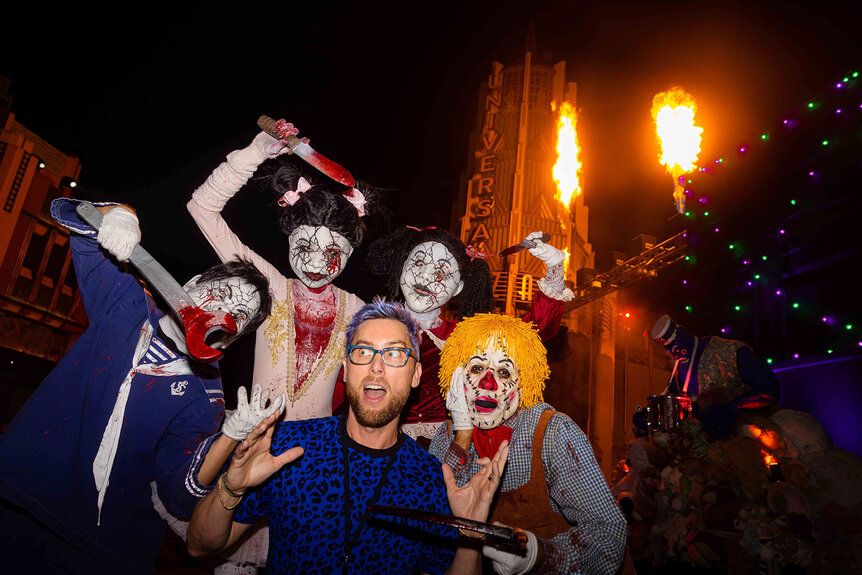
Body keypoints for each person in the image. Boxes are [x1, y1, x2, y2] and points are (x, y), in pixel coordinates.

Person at [0, 199, 279, 575]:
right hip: (16, 500)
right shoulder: (127, 305)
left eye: (240, 316)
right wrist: (120, 215)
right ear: (192, 284)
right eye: (223, 294)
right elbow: (70, 219)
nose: (226, 313)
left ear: (235, 337)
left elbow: (178, 497)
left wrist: (227, 438)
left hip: (104, 553)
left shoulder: (207, 398)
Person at [187, 298, 510, 574]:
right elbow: (200, 546)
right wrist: (231, 486)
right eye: (363, 352)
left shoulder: (429, 478)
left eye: (395, 354)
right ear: (346, 368)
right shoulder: (287, 447)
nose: (376, 368)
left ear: (415, 375)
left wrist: (470, 534)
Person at [188, 123, 380, 422]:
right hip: (255, 439)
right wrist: (256, 151)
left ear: (350, 253)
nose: (316, 265)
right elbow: (202, 207)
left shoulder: (359, 311)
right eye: (304, 247)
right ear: (288, 240)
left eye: (332, 253)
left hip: (319, 453)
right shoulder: (271, 286)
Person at [429, 313, 628, 575]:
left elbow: (609, 532)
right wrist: (462, 435)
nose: (488, 384)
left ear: (526, 382)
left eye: (503, 371)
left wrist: (537, 555)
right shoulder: (446, 435)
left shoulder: (554, 432)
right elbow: (430, 525)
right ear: (456, 375)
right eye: (477, 368)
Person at [352, 227, 571, 446]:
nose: (426, 276)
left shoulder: (464, 336)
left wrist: (554, 266)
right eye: (419, 263)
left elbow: (531, 330)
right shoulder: (372, 325)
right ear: (402, 269)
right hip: (375, 443)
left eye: (442, 271)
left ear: (458, 288)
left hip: (443, 448)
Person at [635, 314, 780, 438]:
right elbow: (674, 409)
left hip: (743, 429)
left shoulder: (729, 351)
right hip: (701, 436)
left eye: (674, 343)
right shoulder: (678, 368)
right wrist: (652, 417)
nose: (673, 351)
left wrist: (732, 408)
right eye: (668, 347)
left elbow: (770, 390)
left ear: (683, 334)